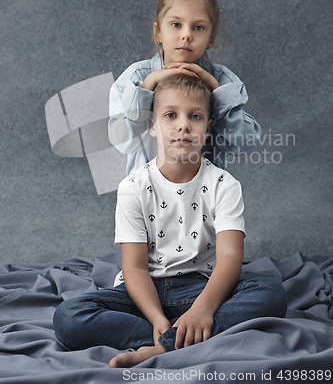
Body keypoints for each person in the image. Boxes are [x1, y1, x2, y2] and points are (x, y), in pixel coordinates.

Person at [53, 74, 287, 368]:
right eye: (170, 115)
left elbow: (230, 258)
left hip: (200, 289)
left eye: (196, 116)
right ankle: (180, 337)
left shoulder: (224, 185)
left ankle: (163, 346)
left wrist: (202, 310)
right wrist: (156, 318)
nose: (183, 125)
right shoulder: (133, 187)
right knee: (68, 317)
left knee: (271, 294)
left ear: (208, 127)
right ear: (153, 125)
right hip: (143, 294)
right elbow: (135, 266)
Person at [108, 0, 261, 176]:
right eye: (176, 24)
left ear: (211, 38)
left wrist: (218, 92)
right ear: (158, 32)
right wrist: (147, 87)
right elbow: (123, 142)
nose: (186, 35)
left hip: (202, 198)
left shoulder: (224, 83)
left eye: (198, 27)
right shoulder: (136, 79)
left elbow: (243, 143)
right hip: (149, 197)